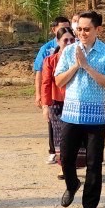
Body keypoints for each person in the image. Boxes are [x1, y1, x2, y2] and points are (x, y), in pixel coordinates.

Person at [54, 11, 105, 208]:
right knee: (66, 158)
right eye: (79, 29)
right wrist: (76, 65)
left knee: (94, 164)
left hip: (95, 118)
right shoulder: (69, 50)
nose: (82, 33)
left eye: (86, 29)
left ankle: (89, 207)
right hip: (71, 115)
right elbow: (59, 81)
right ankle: (72, 185)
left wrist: (88, 67)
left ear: (98, 30)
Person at [33, 16, 72, 162]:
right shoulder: (47, 51)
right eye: (62, 28)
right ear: (54, 30)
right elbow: (41, 75)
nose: (68, 41)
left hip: (73, 99)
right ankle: (55, 153)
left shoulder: (78, 50)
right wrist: (41, 98)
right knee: (55, 127)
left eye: (68, 28)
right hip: (56, 98)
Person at [40, 28, 75, 167]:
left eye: (72, 40)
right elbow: (46, 84)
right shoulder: (50, 61)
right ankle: (63, 166)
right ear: (58, 41)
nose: (69, 43)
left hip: (75, 102)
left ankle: (75, 164)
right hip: (57, 103)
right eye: (65, 40)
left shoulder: (81, 59)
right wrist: (45, 106)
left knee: (75, 136)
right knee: (60, 136)